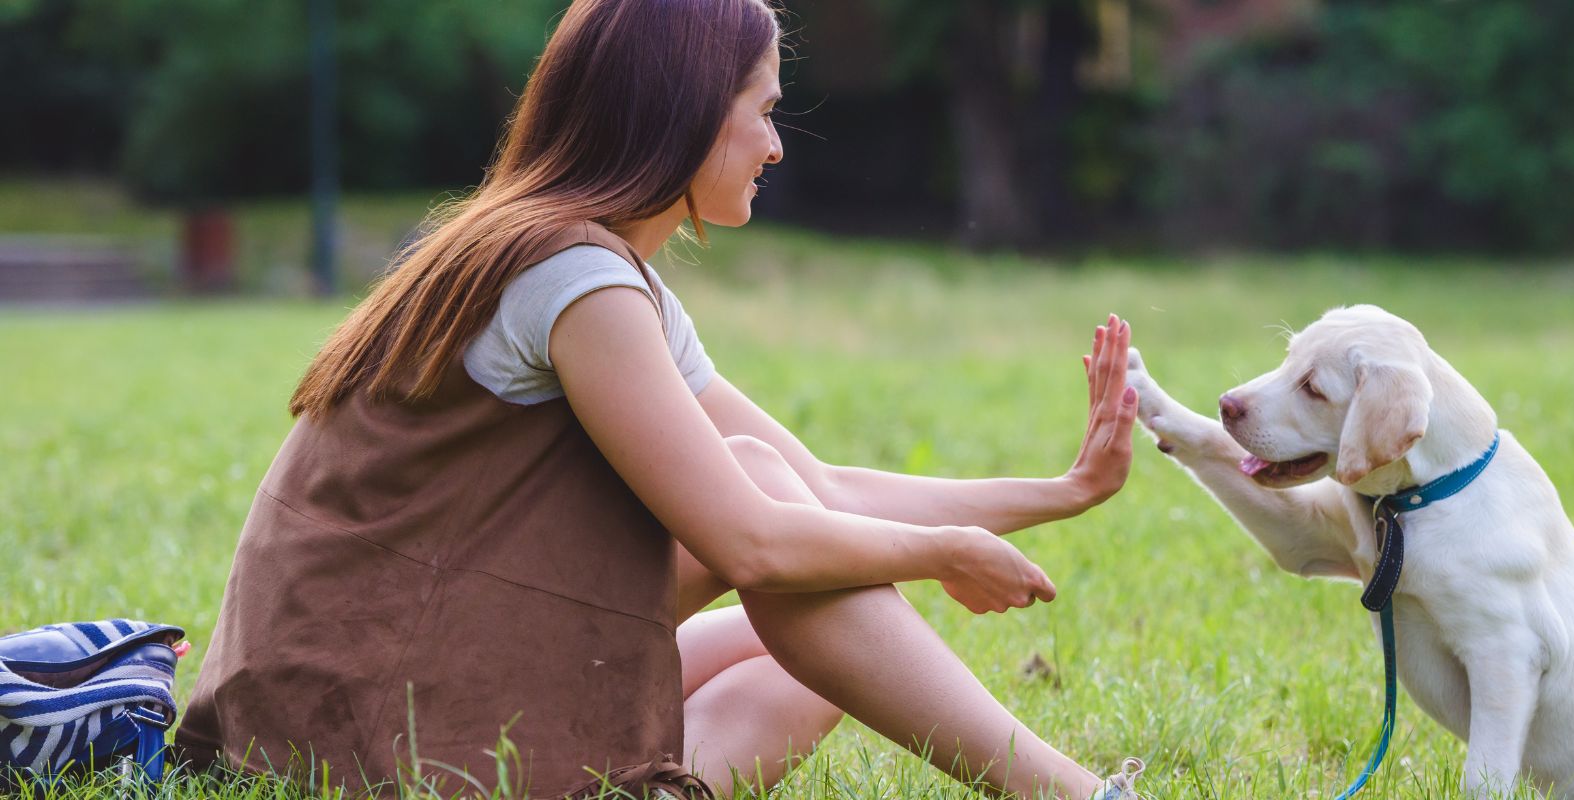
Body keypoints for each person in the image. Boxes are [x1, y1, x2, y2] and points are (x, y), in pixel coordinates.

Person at [175, 1, 1146, 798]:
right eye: (763, 110)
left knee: (804, 672)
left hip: (383, 673)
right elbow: (753, 539)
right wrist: (941, 554)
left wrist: (1064, 490)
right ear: (686, 109)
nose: (774, 144)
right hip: (347, 721)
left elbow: (815, 487)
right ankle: (1076, 795)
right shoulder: (569, 276)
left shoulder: (591, 263)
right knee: (775, 527)